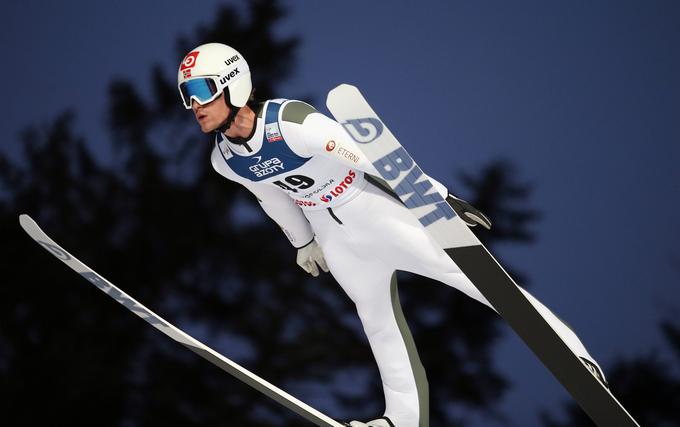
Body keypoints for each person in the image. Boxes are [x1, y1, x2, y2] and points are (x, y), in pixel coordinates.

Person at [177, 43, 606, 427]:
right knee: (378, 324)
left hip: (374, 213)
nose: (193, 104)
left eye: (201, 90)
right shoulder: (225, 161)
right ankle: (399, 421)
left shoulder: (293, 123)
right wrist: (303, 242)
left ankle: (573, 354)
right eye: (185, 95)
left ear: (235, 85)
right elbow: (271, 199)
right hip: (336, 239)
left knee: (477, 280)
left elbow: (370, 159)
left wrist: (441, 198)